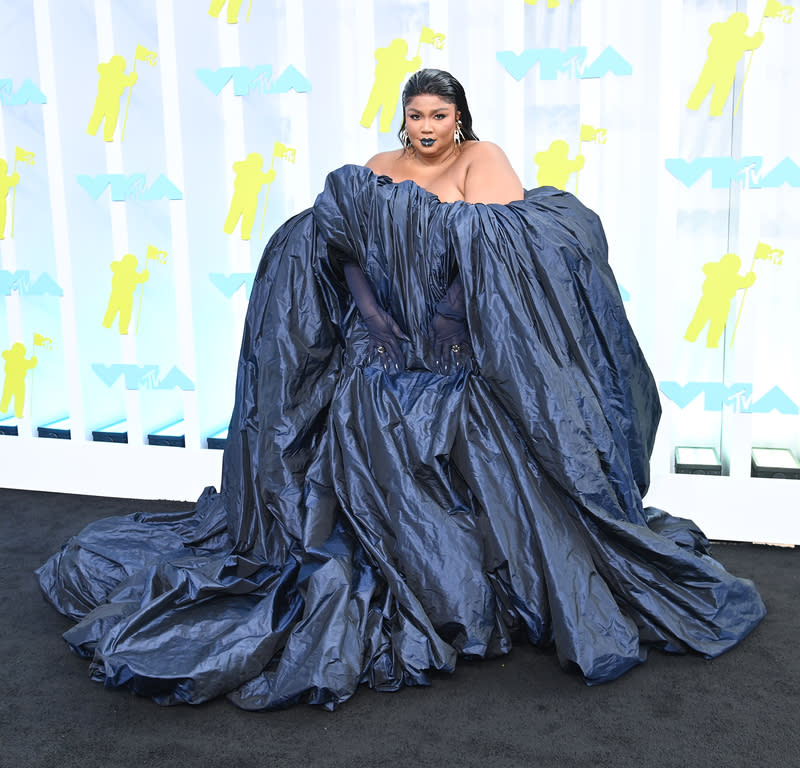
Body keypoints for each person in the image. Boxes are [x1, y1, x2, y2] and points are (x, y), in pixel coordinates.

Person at [37, 69, 765, 711]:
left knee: (467, 423)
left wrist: (446, 317)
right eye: (416, 115)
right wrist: (377, 318)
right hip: (384, 337)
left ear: (460, 119)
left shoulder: (484, 162)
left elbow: (497, 248)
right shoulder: (376, 167)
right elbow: (342, 246)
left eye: (439, 116)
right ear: (404, 119)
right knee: (364, 408)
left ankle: (479, 585)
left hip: (459, 339)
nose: (426, 128)